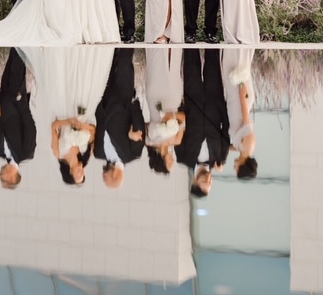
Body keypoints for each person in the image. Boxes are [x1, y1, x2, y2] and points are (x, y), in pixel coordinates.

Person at [25, 46, 115, 186]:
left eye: (78, 176)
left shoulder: (58, 152)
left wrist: (69, 122)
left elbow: (54, 127)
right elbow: (93, 131)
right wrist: (84, 126)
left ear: (70, 173)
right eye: (83, 175)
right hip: (82, 108)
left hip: (64, 109)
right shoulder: (86, 152)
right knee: (83, 77)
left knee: (65, 74)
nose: (81, 172)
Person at [176, 47, 230, 197]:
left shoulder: (183, 157)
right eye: (210, 183)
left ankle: (189, 34)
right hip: (215, 101)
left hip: (193, 103)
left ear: (194, 181)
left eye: (204, 182)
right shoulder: (220, 159)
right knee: (213, 64)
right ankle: (210, 34)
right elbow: (226, 130)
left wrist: (181, 106)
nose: (208, 179)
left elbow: (178, 129)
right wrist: (222, 108)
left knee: (191, 64)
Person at [94, 49, 145, 188]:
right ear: (116, 176)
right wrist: (134, 103)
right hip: (123, 99)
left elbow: (98, 129)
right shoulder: (133, 154)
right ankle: (128, 35)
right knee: (123, 63)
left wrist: (98, 109)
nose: (103, 177)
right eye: (106, 179)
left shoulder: (98, 153)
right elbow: (139, 127)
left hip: (104, 99)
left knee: (109, 60)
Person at [0, 49, 37, 189]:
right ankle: (22, 37)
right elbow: (29, 126)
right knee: (18, 60)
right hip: (16, 99)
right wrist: (21, 102)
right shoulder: (26, 153)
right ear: (12, 177)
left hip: (4, 99)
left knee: (12, 60)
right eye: (2, 178)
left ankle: (17, 41)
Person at [144, 45, 186, 175]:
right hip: (173, 98)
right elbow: (184, 118)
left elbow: (154, 124)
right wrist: (172, 116)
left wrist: (171, 119)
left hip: (156, 99)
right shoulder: (177, 140)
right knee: (173, 66)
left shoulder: (150, 140)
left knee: (156, 67)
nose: (173, 161)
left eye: (169, 163)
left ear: (161, 160)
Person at [222, 46, 258, 180]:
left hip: (234, 105)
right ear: (243, 167)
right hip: (241, 102)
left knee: (227, 69)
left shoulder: (240, 149)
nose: (234, 168)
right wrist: (242, 97)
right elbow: (246, 122)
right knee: (237, 66)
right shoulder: (248, 147)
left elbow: (229, 146)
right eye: (236, 170)